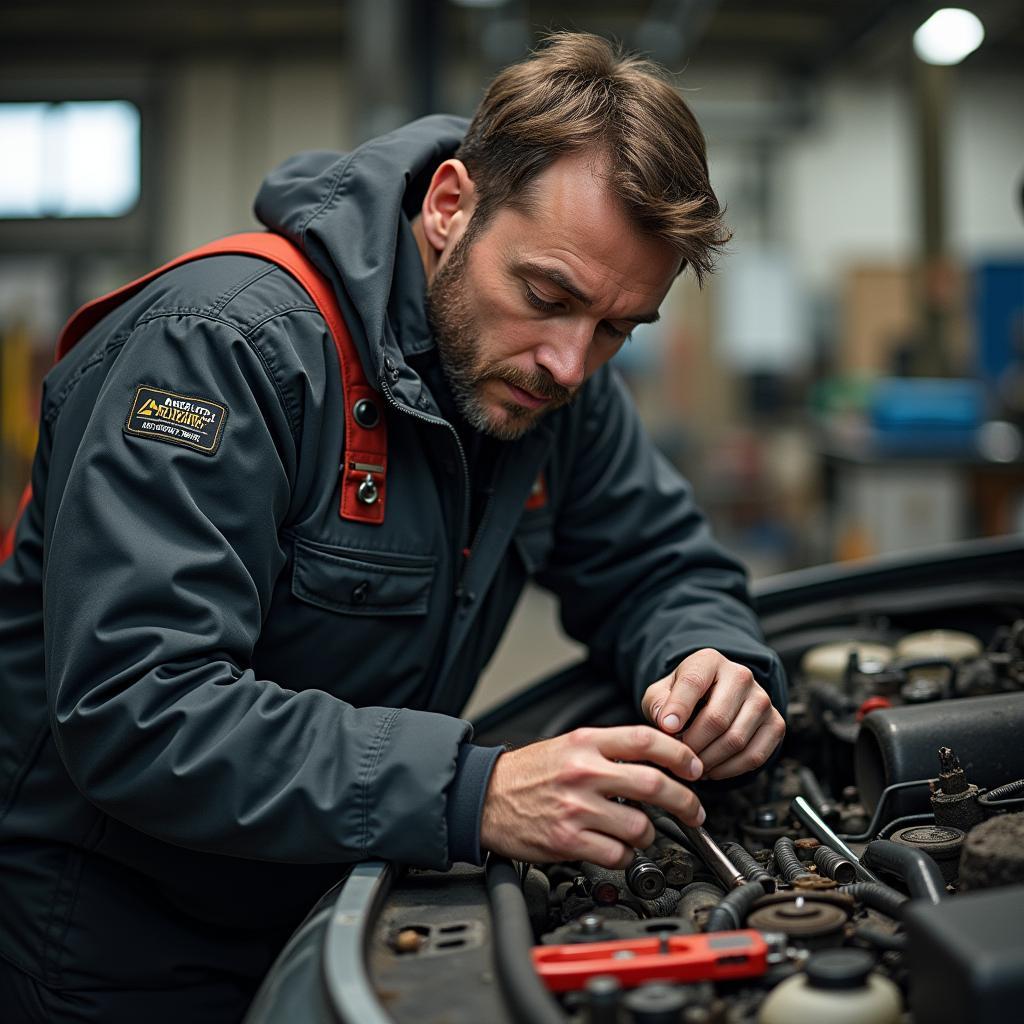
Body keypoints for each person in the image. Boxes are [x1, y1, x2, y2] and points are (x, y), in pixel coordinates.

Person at [0, 32, 785, 1023]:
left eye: (617, 329)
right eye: (546, 296)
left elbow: (656, 561)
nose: (569, 364)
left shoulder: (552, 388)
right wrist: (470, 789)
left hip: (327, 899)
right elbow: (139, 703)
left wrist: (709, 655)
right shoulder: (219, 349)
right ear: (451, 207)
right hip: (114, 950)